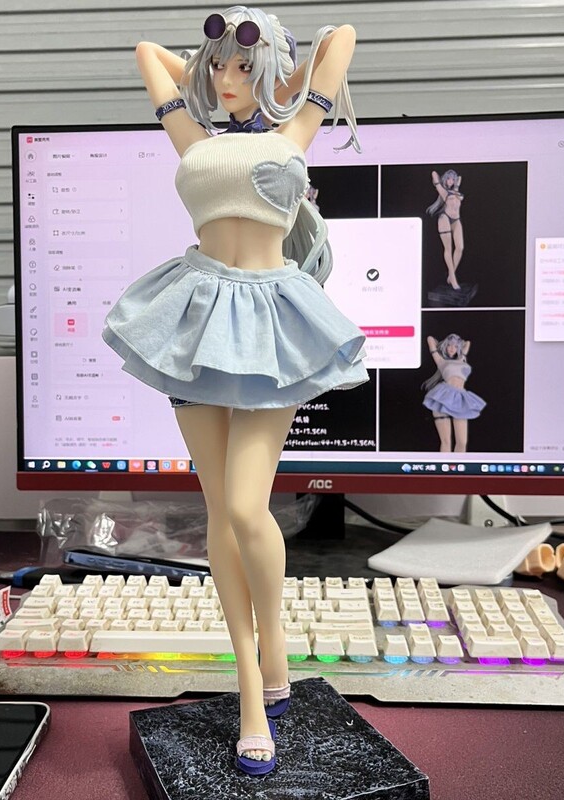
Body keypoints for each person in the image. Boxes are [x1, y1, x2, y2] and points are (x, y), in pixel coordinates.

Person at [101, 6, 368, 776]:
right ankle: (252, 683)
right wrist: (213, 52)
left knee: (249, 507)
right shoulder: (195, 136)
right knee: (221, 509)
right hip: (194, 317)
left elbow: (341, 40)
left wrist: (272, 60)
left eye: (240, 68)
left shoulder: (295, 131)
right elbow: (146, 50)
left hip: (270, 324)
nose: (225, 79)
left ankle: (273, 646)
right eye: (218, 67)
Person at [421, 334, 485, 452]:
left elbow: (467, 343)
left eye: (455, 346)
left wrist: (458, 343)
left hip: (460, 397)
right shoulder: (441, 361)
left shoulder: (462, 359)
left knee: (462, 442)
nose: (452, 348)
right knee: (446, 441)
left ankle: (457, 464)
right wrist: (442, 344)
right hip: (444, 396)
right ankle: (444, 463)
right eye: (449, 345)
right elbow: (430, 339)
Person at [426, 169, 464, 290]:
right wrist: (439, 179)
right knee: (448, 248)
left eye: (452, 179)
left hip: (456, 219)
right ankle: (453, 278)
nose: (451, 181)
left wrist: (456, 182)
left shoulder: (456, 190)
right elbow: (434, 174)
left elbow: (459, 179)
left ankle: (450, 275)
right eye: (448, 179)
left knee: (460, 248)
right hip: (445, 218)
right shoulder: (443, 191)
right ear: (445, 179)